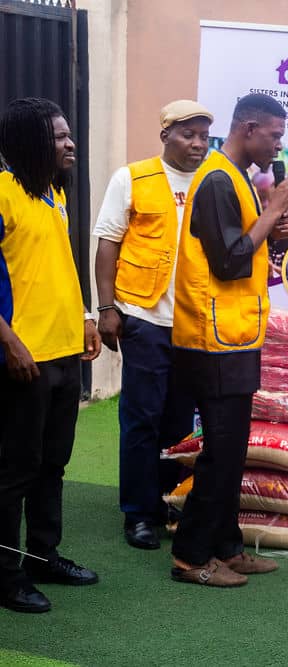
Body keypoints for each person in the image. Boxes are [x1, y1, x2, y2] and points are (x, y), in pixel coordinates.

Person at [169, 93, 288, 587]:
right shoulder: (218, 180)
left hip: (235, 333)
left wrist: (276, 228)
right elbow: (228, 262)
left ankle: (226, 546)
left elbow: (247, 246)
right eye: (275, 135)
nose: (279, 144)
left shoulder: (237, 177)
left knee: (232, 450)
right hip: (212, 338)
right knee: (221, 452)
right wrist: (273, 210)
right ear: (248, 128)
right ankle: (190, 557)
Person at [93, 100, 213, 550]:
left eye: (203, 136)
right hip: (143, 316)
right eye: (188, 134)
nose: (197, 144)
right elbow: (108, 242)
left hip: (193, 322)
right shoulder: (132, 178)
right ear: (165, 136)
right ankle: (138, 513)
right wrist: (107, 307)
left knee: (179, 422)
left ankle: (165, 500)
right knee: (141, 416)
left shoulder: (212, 181)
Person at [0, 98, 102, 613]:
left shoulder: (52, 194)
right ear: (30, 141)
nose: (70, 143)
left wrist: (85, 316)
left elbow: (58, 263)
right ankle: (5, 576)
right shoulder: (3, 192)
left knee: (52, 465)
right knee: (15, 471)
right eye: (59, 136)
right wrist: (8, 341)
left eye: (68, 133)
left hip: (63, 351)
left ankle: (43, 556)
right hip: (25, 357)